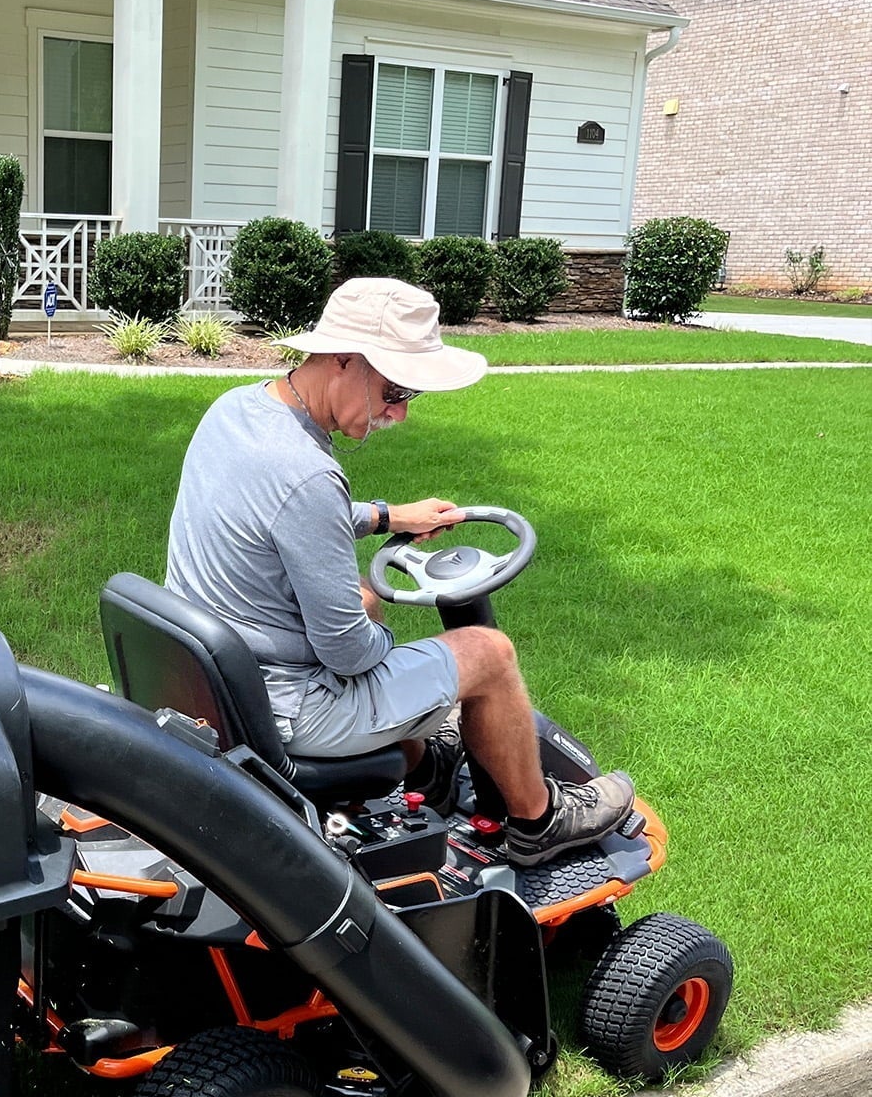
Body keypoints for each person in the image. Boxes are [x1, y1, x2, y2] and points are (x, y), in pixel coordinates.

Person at [165, 277, 634, 868]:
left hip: (219, 682)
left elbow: (286, 516)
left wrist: (389, 517)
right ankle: (537, 821)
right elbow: (349, 655)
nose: (401, 412)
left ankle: (426, 768)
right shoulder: (308, 475)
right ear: (342, 359)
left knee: (364, 600)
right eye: (394, 389)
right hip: (286, 711)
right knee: (487, 654)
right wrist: (398, 650)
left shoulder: (237, 410)